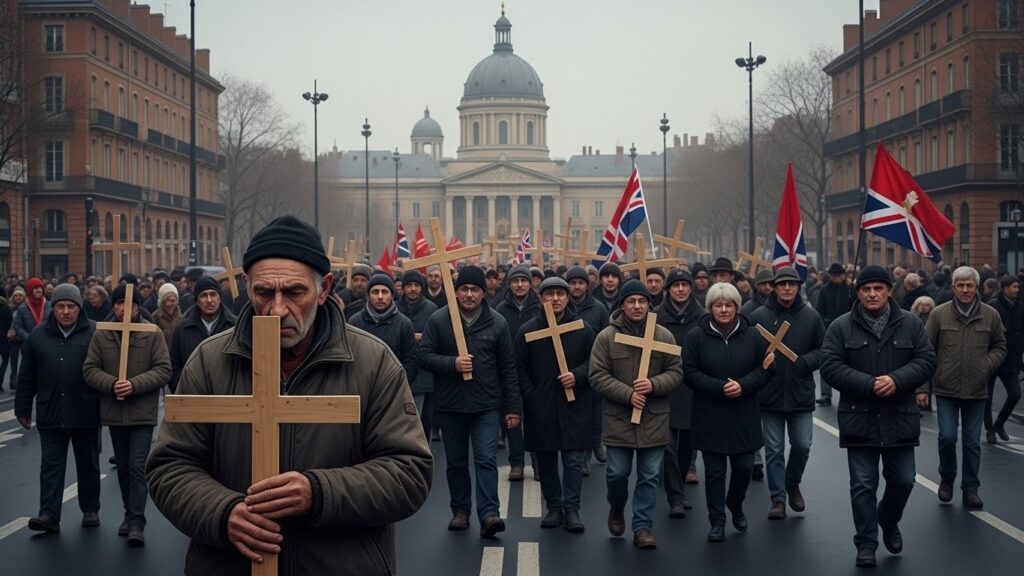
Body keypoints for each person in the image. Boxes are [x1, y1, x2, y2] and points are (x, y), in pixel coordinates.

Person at [147, 215, 432, 573]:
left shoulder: (373, 364)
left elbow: (409, 473)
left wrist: (319, 492)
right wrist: (222, 513)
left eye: (295, 292)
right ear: (247, 287)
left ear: (325, 288)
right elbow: (169, 465)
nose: (278, 309)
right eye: (264, 292)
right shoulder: (209, 362)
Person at [820, 265, 936, 567]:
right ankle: (866, 543)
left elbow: (926, 360)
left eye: (878, 288)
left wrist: (897, 379)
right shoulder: (841, 326)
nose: (872, 294)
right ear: (858, 292)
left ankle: (888, 519)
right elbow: (830, 365)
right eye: (866, 289)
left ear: (888, 291)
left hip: (900, 417)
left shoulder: (910, 323)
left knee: (904, 480)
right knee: (862, 485)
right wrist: (868, 384)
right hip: (859, 417)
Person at [418, 265, 521, 539]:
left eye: (475, 289)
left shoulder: (497, 323)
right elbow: (424, 355)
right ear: (457, 291)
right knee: (456, 463)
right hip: (450, 406)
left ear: (483, 293)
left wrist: (512, 408)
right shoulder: (440, 320)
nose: (469, 294)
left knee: (486, 459)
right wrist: (452, 363)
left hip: (486, 405)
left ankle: (489, 514)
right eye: (464, 289)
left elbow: (508, 368)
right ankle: (460, 511)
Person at [590, 280, 682, 550]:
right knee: (617, 473)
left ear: (649, 305)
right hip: (619, 419)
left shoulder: (663, 336)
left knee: (650, 475)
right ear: (622, 305)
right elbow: (597, 376)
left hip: (654, 419)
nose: (637, 306)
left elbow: (676, 372)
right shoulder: (606, 337)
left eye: (642, 301)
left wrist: (654, 384)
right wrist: (627, 393)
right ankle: (616, 506)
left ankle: (642, 526)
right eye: (631, 301)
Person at [83, 283, 171, 546]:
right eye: (120, 303)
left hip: (142, 413)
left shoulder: (151, 332)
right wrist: (111, 384)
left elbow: (163, 369)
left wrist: (135, 385)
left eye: (130, 304)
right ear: (114, 306)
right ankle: (127, 512)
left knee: (136, 466)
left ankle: (137, 521)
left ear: (137, 307)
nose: (124, 308)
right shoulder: (102, 333)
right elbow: (89, 369)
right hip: (114, 412)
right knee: (122, 466)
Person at [683, 282, 770, 543]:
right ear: (710, 308)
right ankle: (717, 521)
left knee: (744, 468)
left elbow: (766, 369)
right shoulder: (695, 336)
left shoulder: (753, 335)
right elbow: (689, 372)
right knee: (715, 472)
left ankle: (735, 503)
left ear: (736, 307)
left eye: (728, 305)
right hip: (710, 414)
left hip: (744, 413)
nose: (723, 310)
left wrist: (743, 385)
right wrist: (720, 388)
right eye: (718, 305)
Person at [15, 284, 100, 533]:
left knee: (89, 465)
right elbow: (26, 375)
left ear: (78, 308)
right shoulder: (38, 336)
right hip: (50, 412)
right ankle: (49, 514)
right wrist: (23, 408)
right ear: (54, 309)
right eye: (60, 306)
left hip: (86, 410)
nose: (65, 312)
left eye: (70, 307)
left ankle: (91, 508)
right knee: (51, 466)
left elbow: (107, 369)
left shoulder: (94, 332)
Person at [514, 277, 596, 533]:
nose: (556, 299)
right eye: (549, 294)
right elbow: (519, 368)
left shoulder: (583, 329)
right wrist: (532, 395)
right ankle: (554, 507)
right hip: (542, 407)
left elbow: (594, 362)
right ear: (541, 299)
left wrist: (578, 375)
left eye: (560, 293)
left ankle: (572, 509)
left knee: (573, 461)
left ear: (568, 297)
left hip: (575, 404)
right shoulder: (527, 330)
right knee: (546, 460)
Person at [921, 266, 1005, 508]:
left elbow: (1000, 347)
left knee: (972, 442)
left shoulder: (991, 315)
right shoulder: (938, 314)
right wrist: (922, 389)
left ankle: (971, 488)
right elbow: (925, 352)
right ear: (954, 287)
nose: (966, 290)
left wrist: (985, 365)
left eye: (970, 285)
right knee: (947, 437)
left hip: (977, 389)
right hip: (946, 388)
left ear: (976, 287)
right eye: (961, 285)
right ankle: (947, 478)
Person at [749, 267, 825, 520]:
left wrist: (805, 362)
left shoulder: (811, 316)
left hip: (800, 392)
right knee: (773, 449)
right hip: (768, 393)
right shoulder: (759, 316)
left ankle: (792, 483)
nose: (787, 288)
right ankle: (778, 498)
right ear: (774, 287)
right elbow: (747, 351)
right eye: (782, 284)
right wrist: (761, 364)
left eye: (792, 284)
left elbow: (823, 350)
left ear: (798, 287)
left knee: (802, 445)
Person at [655, 269, 705, 518]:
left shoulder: (703, 317)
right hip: (663, 388)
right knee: (667, 446)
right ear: (668, 290)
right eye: (676, 286)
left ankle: (680, 489)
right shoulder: (655, 317)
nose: (681, 290)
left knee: (687, 445)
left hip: (692, 388)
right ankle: (675, 496)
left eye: (685, 285)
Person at [494, 265, 540, 481]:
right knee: (512, 418)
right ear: (509, 284)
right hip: (509, 371)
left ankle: (538, 462)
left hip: (536, 372)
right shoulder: (500, 310)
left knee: (537, 417)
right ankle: (517, 463)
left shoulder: (541, 307)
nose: (520, 285)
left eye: (524, 280)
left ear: (530, 283)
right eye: (515, 281)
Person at [565, 265, 610, 465]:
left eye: (580, 283)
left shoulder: (598, 308)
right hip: (569, 366)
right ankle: (580, 453)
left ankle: (595, 444)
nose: (576, 287)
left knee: (595, 409)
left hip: (594, 364)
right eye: (572, 283)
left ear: (587, 285)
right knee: (576, 413)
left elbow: (606, 336)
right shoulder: (562, 307)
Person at [169, 276, 238, 393]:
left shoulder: (235, 326)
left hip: (227, 397)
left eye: (213, 294)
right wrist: (182, 390)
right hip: (192, 398)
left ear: (220, 298)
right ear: (196, 301)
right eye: (203, 295)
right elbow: (175, 366)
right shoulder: (182, 329)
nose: (209, 300)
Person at [349, 273, 418, 385]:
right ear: (368, 295)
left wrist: (398, 386)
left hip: (393, 389)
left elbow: (410, 362)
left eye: (385, 292)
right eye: (375, 292)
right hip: (361, 387)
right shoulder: (355, 322)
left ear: (392, 295)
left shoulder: (404, 324)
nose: (380, 297)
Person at [397, 270, 439, 435]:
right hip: (402, 371)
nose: (413, 289)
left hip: (426, 373)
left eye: (416, 285)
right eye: (409, 285)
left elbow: (438, 337)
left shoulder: (431, 309)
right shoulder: (395, 308)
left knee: (425, 421)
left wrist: (424, 338)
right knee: (404, 423)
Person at [986, 275, 1023, 443]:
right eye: (1014, 287)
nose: (1017, 290)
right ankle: (990, 430)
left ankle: (999, 423)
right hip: (992, 359)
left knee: (1015, 394)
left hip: (1011, 359)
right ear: (1005, 288)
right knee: (987, 398)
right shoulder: (993, 306)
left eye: (1018, 287)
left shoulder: (1020, 307)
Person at [814, 263, 854, 407]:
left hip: (850, 329)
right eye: (834, 275)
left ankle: (850, 391)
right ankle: (825, 394)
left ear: (843, 275)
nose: (836, 277)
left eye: (839, 275)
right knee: (827, 360)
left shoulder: (851, 289)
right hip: (829, 328)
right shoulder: (824, 290)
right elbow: (819, 309)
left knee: (851, 362)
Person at [6, 286, 27, 387]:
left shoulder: (27, 307)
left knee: (24, 360)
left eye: (20, 296)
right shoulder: (9, 307)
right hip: (14, 337)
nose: (18, 297)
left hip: (23, 337)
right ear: (13, 297)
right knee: (13, 360)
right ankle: (13, 379)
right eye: (16, 296)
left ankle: (22, 379)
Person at [152, 283, 181, 353]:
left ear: (177, 301)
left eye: (172, 301)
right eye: (165, 300)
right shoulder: (154, 318)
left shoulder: (182, 319)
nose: (168, 304)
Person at [0, 287, 11, 391]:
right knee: (5, 360)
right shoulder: (7, 308)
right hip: (3, 339)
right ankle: (0, 380)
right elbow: (10, 325)